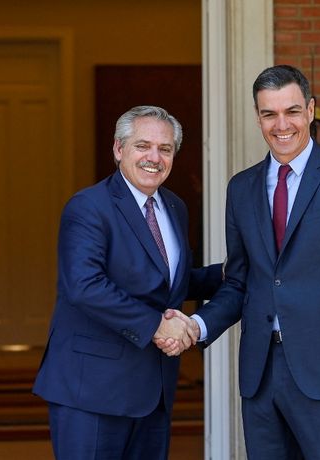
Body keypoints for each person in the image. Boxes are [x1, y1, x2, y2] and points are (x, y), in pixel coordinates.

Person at [166, 65, 320, 459]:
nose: (281, 125)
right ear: (258, 117)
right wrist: (198, 325)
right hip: (260, 373)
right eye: (269, 114)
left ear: (309, 110)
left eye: (291, 111)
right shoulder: (241, 188)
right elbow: (239, 281)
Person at [32, 105, 223, 459]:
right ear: (119, 150)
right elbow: (85, 285)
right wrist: (156, 326)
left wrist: (226, 275)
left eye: (165, 149)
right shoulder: (89, 206)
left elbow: (167, 283)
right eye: (142, 146)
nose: (154, 157)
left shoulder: (174, 207)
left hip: (153, 390)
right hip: (91, 391)